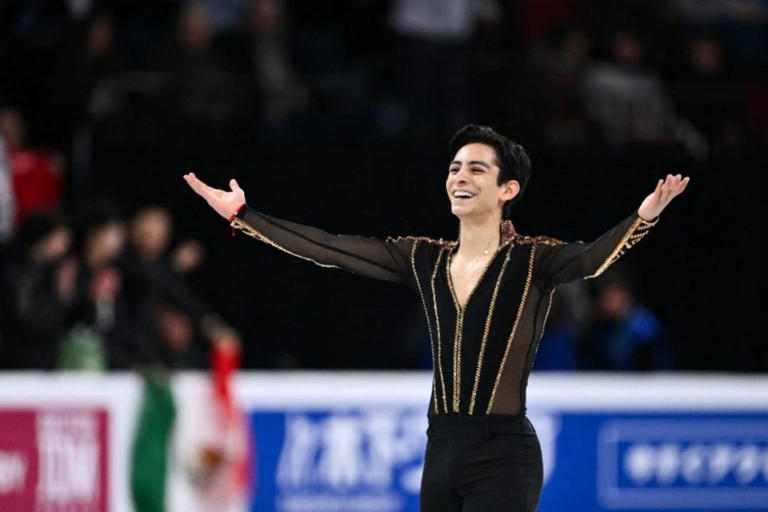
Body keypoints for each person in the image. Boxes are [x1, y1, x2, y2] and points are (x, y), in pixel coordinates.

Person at [183, 124, 690, 511]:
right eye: (454, 168)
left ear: (507, 189)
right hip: (441, 449)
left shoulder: (535, 259)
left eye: (475, 169)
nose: (459, 177)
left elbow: (593, 258)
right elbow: (330, 249)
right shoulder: (423, 258)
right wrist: (243, 217)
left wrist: (643, 216)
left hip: (504, 453)